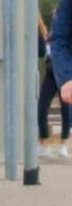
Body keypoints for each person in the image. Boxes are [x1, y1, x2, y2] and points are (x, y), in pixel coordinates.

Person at [37, 15, 69, 158]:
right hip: (51, 72)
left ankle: (63, 144)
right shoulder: (49, 36)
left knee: (66, 109)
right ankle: (44, 144)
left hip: (64, 73)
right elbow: (43, 51)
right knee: (42, 106)